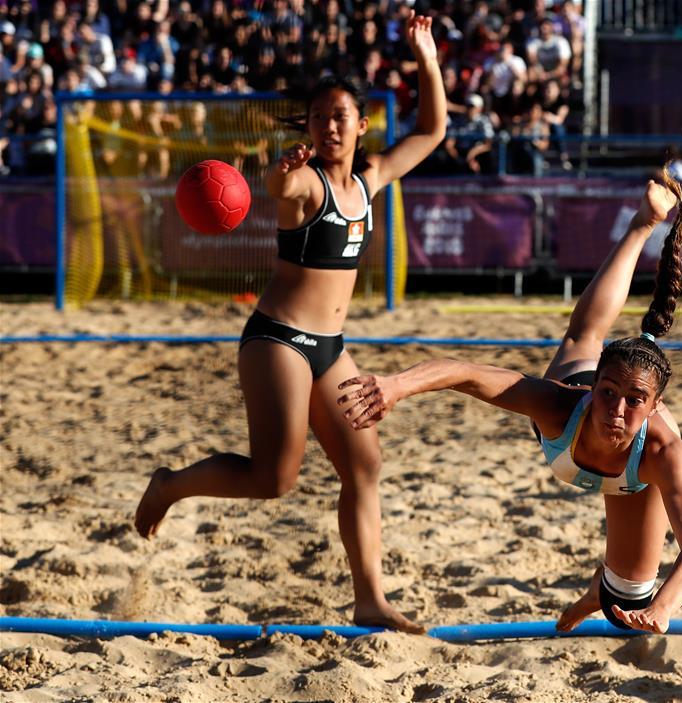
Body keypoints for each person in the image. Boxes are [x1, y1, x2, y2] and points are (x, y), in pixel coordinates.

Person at [134, 12, 447, 635]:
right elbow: (279, 186)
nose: (329, 125)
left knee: (364, 465)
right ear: (307, 126)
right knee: (274, 478)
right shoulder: (305, 182)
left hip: (331, 347)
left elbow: (433, 130)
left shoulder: (371, 179)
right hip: (278, 340)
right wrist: (280, 171)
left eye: (340, 116)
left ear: (361, 124)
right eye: (318, 116)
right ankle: (170, 485)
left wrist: (427, 59)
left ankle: (370, 600)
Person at [337, 172, 682, 634]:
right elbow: (467, 373)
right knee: (584, 335)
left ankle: (597, 592)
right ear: (595, 388)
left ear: (654, 408)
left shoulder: (662, 451)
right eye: (608, 393)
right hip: (577, 391)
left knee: (628, 603)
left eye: (634, 401)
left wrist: (664, 608)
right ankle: (643, 223)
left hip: (632, 470)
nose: (616, 410)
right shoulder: (559, 405)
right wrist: (396, 385)